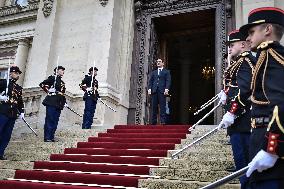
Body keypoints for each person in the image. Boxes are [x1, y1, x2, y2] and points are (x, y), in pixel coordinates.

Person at [239, 7, 284, 188]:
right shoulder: (267, 56)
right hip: (260, 139)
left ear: (267, 30)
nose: (248, 38)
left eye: (251, 32)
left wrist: (271, 149)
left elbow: (281, 103)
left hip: (270, 147)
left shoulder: (270, 55)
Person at [219, 30, 255, 189]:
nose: (229, 48)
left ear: (242, 44)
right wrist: (225, 93)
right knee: (242, 165)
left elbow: (245, 90)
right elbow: (234, 86)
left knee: (244, 166)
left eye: (232, 45)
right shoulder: (240, 62)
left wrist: (232, 111)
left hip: (242, 121)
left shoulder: (245, 62)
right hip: (240, 122)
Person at [0, 66, 24, 160]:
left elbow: (20, 101)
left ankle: (0, 153)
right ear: (10, 73)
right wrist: (0, 97)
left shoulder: (18, 88)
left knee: (7, 135)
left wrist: (21, 111)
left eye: (18, 73)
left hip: (13, 113)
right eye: (16, 73)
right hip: (3, 111)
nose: (17, 75)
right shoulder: (3, 82)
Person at [39, 66, 66, 142]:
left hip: (59, 103)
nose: (63, 71)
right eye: (61, 70)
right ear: (57, 71)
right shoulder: (52, 78)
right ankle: (47, 137)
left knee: (55, 120)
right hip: (51, 101)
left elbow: (62, 94)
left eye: (63, 70)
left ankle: (51, 136)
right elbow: (42, 84)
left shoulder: (62, 82)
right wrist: (48, 90)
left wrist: (64, 102)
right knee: (50, 119)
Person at [148, 59, 171, 125]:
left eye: (159, 62)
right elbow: (150, 81)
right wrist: (149, 89)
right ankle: (153, 122)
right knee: (154, 107)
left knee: (162, 106)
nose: (158, 63)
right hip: (154, 91)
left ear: (163, 63)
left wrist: (166, 89)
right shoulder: (153, 72)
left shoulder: (166, 72)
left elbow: (168, 81)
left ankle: (162, 121)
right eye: (157, 62)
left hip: (162, 91)